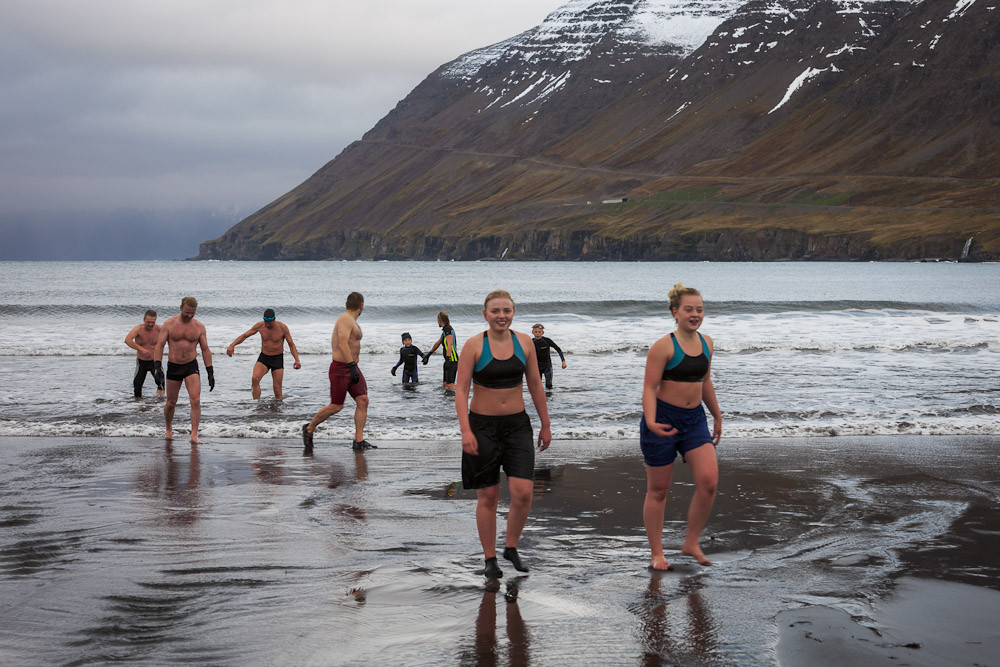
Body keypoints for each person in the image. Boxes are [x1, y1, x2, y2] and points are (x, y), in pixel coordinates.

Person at [455, 290, 551, 578]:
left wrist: (545, 424)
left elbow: (535, 383)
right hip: (482, 427)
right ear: (485, 314)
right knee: (489, 495)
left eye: (506, 310)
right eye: (495, 311)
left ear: (513, 313)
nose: (501, 316)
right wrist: (465, 430)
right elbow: (460, 390)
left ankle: (511, 547)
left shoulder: (524, 343)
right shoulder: (474, 345)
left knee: (523, 492)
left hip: (517, 426)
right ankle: (490, 558)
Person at [640, 283, 722, 569]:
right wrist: (650, 420)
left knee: (709, 481)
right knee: (659, 490)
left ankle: (691, 542)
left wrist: (717, 414)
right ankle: (657, 553)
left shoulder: (708, 343)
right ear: (675, 312)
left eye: (699, 309)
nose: (695, 314)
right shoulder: (663, 347)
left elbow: (705, 381)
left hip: (695, 420)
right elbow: (649, 388)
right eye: (689, 309)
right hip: (662, 418)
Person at [302, 292, 375, 451]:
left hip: (352, 367)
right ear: (362, 305)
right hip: (341, 369)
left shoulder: (351, 320)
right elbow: (342, 343)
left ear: (346, 303)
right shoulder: (345, 319)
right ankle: (309, 429)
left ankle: (358, 441)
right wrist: (350, 365)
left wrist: (353, 365)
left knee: (363, 400)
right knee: (336, 406)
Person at [154, 296, 214, 444]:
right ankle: (168, 430)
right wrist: (157, 366)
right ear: (181, 308)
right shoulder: (169, 324)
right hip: (173, 366)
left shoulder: (199, 327)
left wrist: (210, 371)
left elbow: (205, 349)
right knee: (171, 402)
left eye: (192, 313)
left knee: (196, 400)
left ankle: (194, 435)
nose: (189, 315)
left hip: (190, 366)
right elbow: (160, 345)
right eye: (187, 312)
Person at [225, 308, 301, 400]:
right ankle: (256, 403)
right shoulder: (260, 326)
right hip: (264, 358)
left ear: (274, 319)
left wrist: (297, 360)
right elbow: (245, 335)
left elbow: (291, 345)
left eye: (270, 322)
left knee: (277, 389)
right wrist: (232, 345)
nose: (268, 324)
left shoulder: (282, 328)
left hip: (277, 359)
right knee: (255, 379)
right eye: (266, 322)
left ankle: (279, 411)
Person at [125, 309, 164, 398]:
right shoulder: (138, 329)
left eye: (152, 322)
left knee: (161, 384)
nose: (150, 324)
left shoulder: (159, 329)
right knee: (137, 387)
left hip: (155, 362)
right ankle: (138, 407)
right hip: (142, 362)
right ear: (144, 319)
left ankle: (159, 407)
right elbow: (127, 340)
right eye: (148, 322)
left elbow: (172, 338)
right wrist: (141, 349)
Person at [423, 311, 459, 390]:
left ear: (440, 320)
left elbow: (450, 344)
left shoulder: (448, 329)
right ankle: (447, 402)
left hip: (452, 360)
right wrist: (428, 355)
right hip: (448, 360)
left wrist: (448, 360)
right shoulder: (444, 331)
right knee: (445, 384)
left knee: (450, 384)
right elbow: (437, 343)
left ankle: (459, 398)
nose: (437, 322)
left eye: (437, 320)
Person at [530, 323, 567, 390]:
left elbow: (558, 349)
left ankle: (549, 399)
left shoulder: (547, 341)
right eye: (536, 332)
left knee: (549, 385)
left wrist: (563, 361)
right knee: (537, 386)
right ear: (532, 332)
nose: (537, 333)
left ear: (542, 332)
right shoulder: (530, 342)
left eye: (539, 332)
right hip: (536, 367)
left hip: (547, 366)